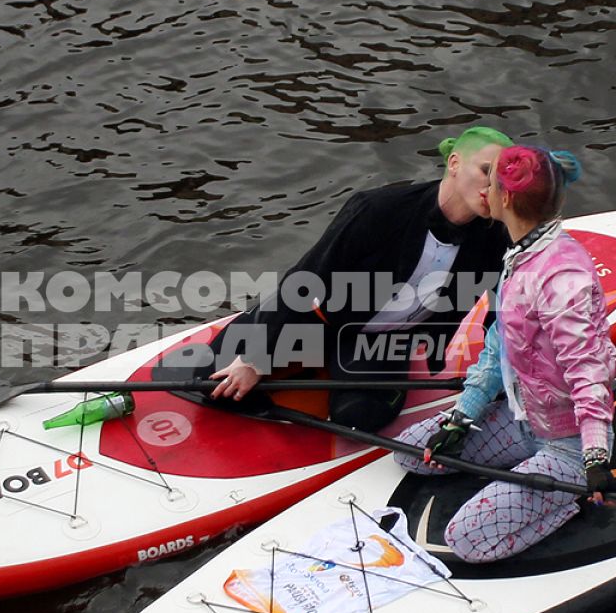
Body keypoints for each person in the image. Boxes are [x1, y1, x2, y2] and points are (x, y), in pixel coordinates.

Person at [200, 128, 514, 430]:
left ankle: (332, 374)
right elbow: (306, 276)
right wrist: (255, 358)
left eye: (503, 179)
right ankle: (290, 355)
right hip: (321, 316)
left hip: (384, 340)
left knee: (358, 416)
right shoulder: (378, 209)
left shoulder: (499, 235)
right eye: (486, 171)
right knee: (207, 380)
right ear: (455, 164)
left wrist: (497, 377)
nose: (494, 187)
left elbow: (499, 313)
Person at [394, 145, 616, 562]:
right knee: (411, 453)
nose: (483, 191)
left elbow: (588, 372)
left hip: (568, 443)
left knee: (466, 542)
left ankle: (567, 498)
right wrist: (464, 416)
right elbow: (501, 344)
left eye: (490, 183)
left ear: (505, 199)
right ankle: (521, 465)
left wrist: (594, 458)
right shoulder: (521, 253)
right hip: (524, 420)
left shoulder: (562, 278)